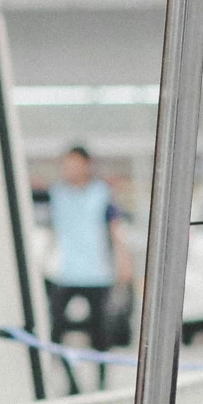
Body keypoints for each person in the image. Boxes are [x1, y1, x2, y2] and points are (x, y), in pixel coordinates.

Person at [44, 145, 135, 351]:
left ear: (86, 165)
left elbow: (115, 230)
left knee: (101, 332)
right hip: (63, 273)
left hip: (96, 273)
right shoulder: (57, 194)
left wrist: (123, 262)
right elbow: (52, 231)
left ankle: (102, 379)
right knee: (55, 331)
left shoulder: (101, 194)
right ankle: (70, 381)